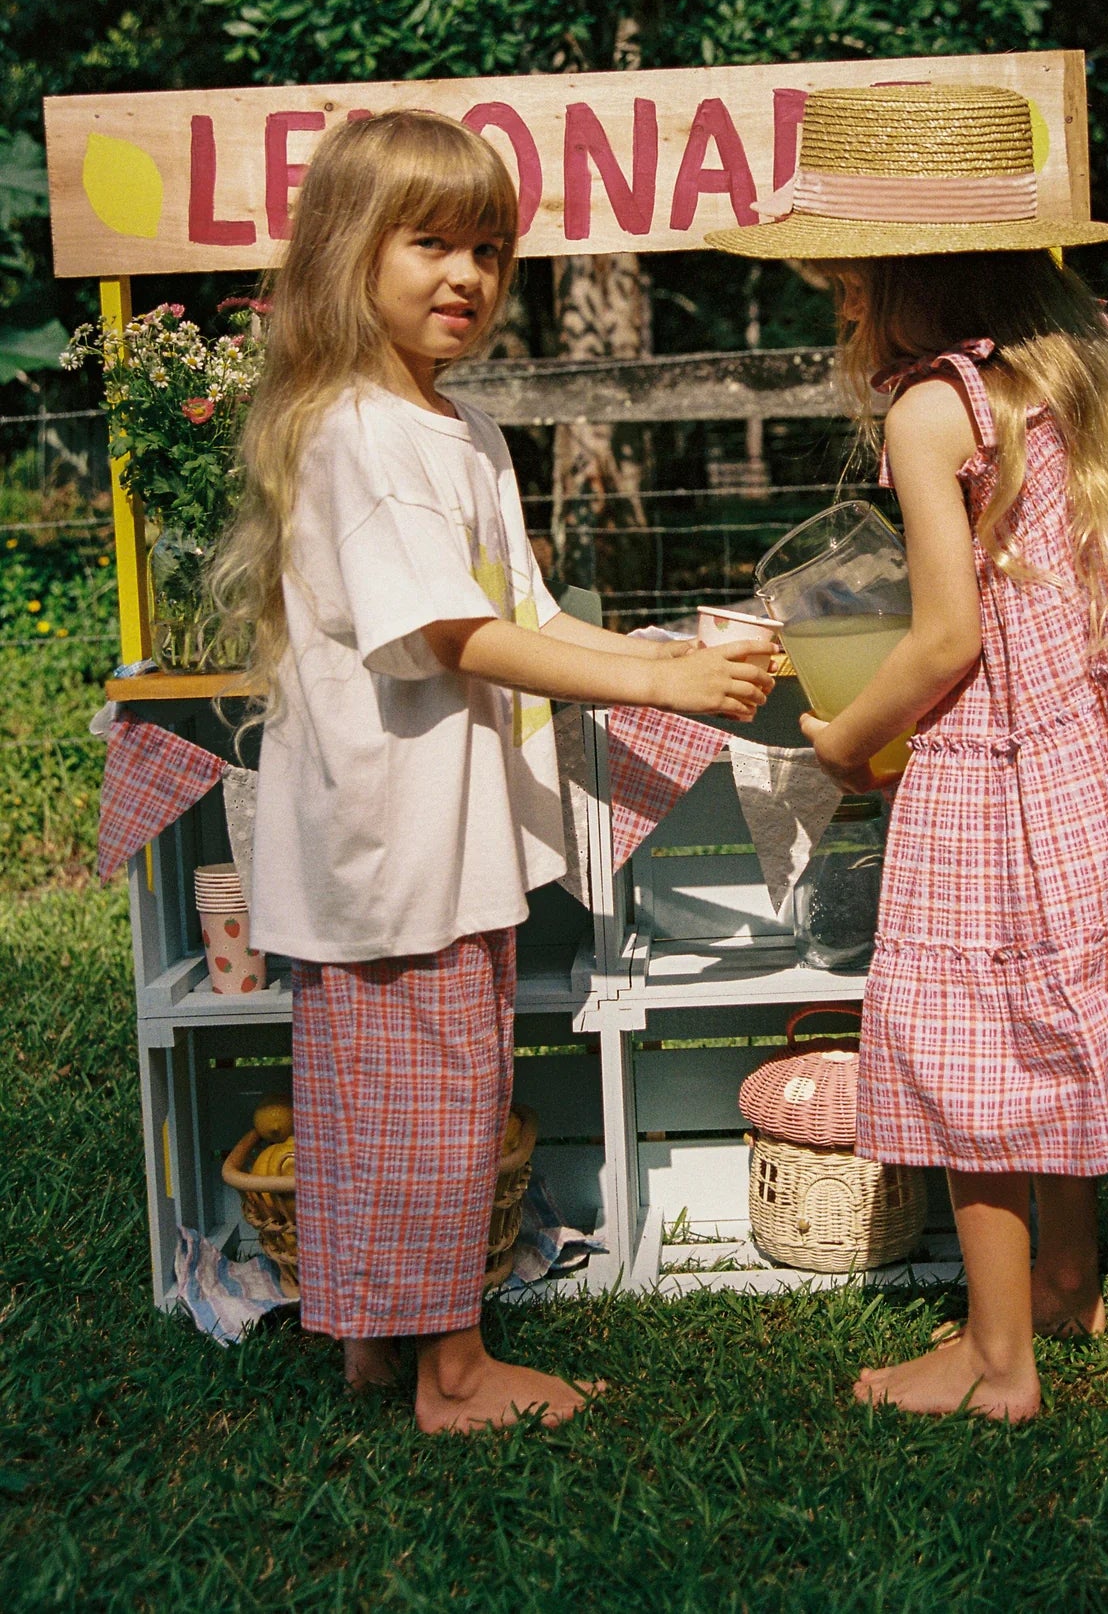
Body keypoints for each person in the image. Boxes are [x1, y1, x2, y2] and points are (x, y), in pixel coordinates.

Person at [708, 83, 1108, 1421]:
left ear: (895, 280)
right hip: (1089, 764)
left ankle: (994, 1358)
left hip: (988, 771)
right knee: (1054, 1019)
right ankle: (1064, 1280)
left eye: (847, 286)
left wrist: (843, 739)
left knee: (966, 1047)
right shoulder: (1073, 374)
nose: (844, 313)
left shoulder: (932, 407)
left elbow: (940, 635)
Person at [215, 109, 773, 1434]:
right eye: (428, 242)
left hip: (423, 829)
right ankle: (454, 1374)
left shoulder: (457, 432)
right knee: (432, 1098)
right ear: (352, 249)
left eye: (487, 248)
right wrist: (657, 684)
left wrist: (656, 650)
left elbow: (523, 604)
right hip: (394, 836)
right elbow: (459, 634)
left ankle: (370, 1343)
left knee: (377, 1099)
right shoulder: (362, 431)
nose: (463, 274)